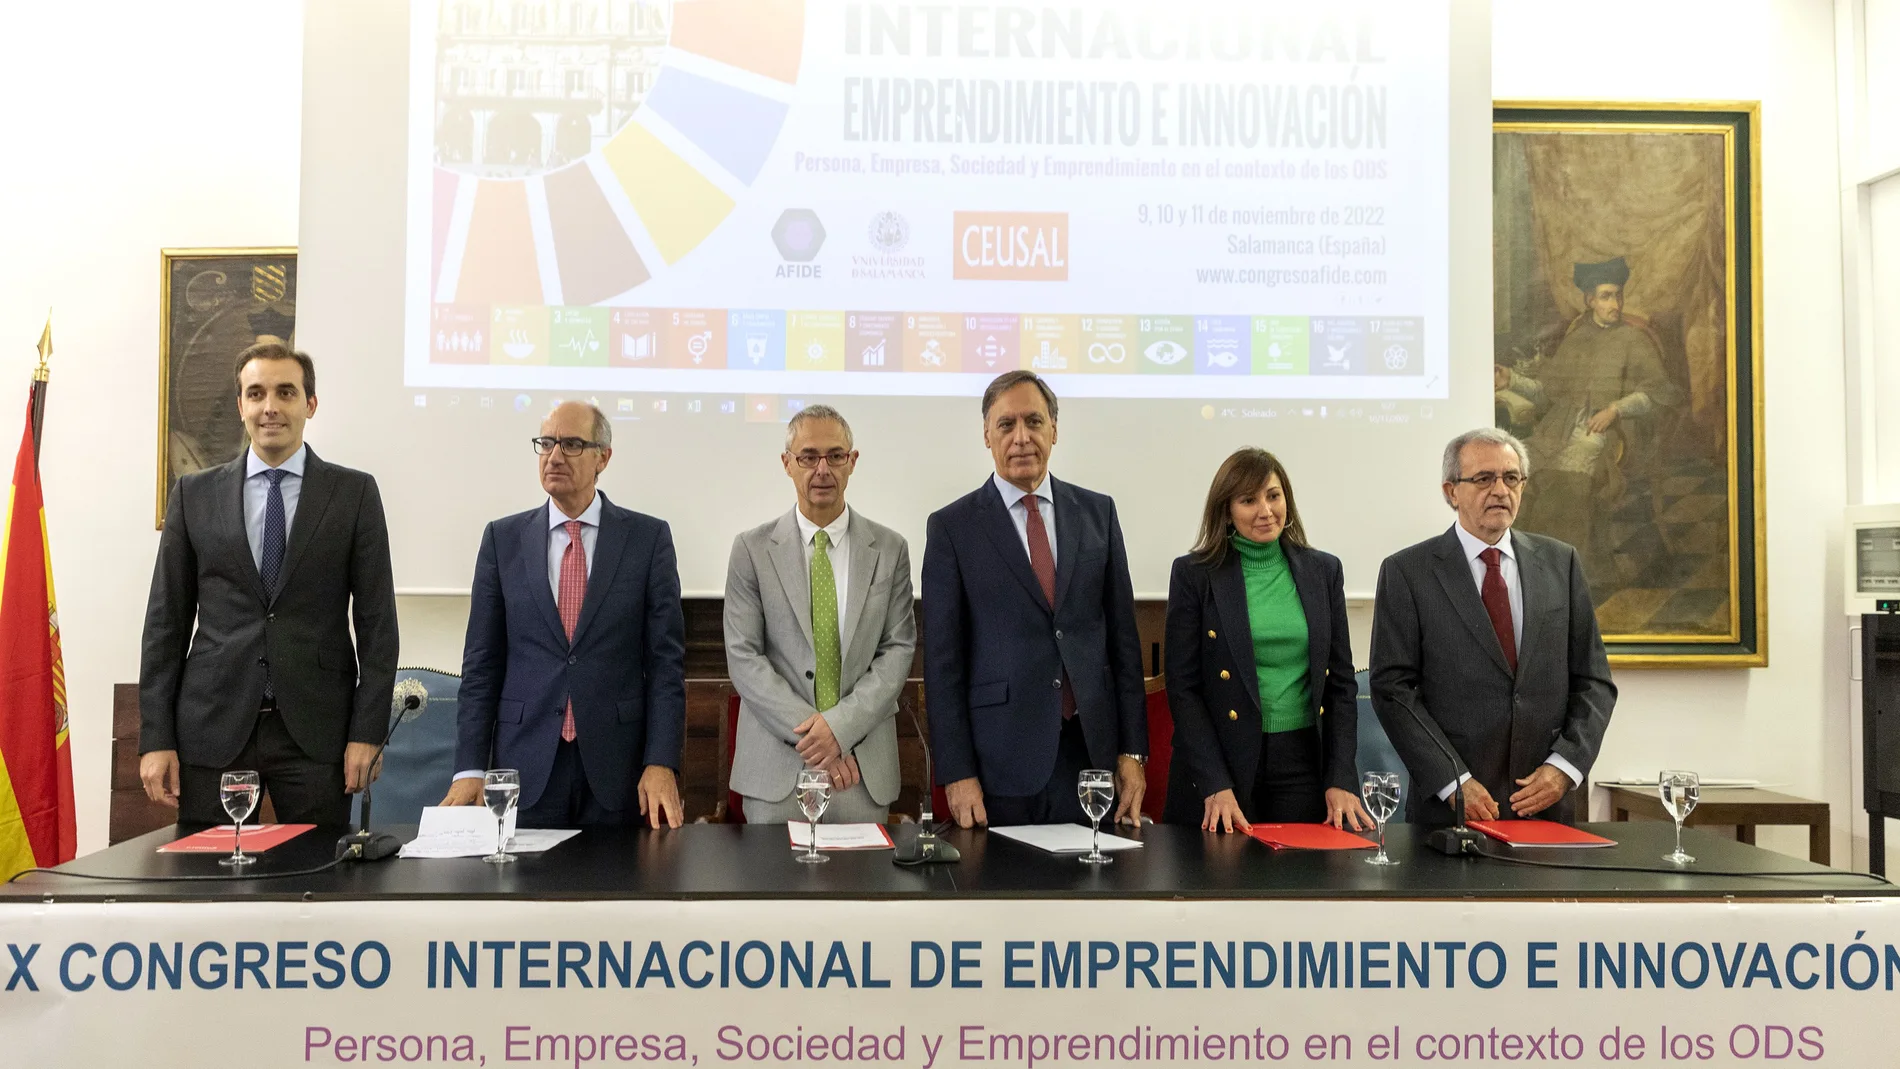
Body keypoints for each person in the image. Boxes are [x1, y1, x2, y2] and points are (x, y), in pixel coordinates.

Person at [139, 341, 398, 825]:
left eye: (286, 392)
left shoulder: (354, 493)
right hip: (213, 728)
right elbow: (165, 624)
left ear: (310, 404)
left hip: (318, 734)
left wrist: (368, 732)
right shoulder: (193, 494)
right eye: (255, 394)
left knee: (317, 886)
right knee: (209, 885)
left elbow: (378, 626)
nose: (270, 407)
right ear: (240, 406)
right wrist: (157, 739)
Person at [444, 401, 685, 828]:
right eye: (547, 443)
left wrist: (661, 761)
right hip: (525, 766)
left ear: (603, 458)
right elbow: (481, 664)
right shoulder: (503, 540)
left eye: (572, 444)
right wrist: (469, 768)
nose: (554, 456)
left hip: (618, 769)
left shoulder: (647, 539)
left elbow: (665, 665)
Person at [923, 370, 1148, 828]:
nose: (1021, 437)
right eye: (1006, 425)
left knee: (1093, 894)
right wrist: (957, 772)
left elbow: (1124, 642)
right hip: (999, 762)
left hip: (1090, 755)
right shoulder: (952, 527)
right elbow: (943, 664)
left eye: (1034, 421)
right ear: (987, 435)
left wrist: (1131, 752)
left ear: (1055, 430)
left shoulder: (1097, 513)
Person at [1370, 428, 1617, 825]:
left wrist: (1565, 767)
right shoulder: (1408, 572)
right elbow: (1392, 690)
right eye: (1484, 479)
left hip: (1545, 803)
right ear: (1451, 491)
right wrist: (1453, 781)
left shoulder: (1561, 563)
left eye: (1511, 478)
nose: (1500, 490)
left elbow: (1594, 681)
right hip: (1450, 810)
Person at [1162, 449, 1372, 833]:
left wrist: (1341, 776)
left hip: (1303, 762)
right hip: (1222, 763)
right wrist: (1214, 783)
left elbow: (1341, 684)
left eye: (1273, 495)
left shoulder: (1324, 570)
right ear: (1226, 510)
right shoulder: (1194, 574)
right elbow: (1183, 689)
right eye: (1248, 500)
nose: (1265, 510)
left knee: (1299, 884)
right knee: (1218, 884)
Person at [724, 405, 917, 823]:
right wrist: (819, 737)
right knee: (773, 886)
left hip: (859, 771)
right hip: (776, 771)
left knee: (862, 885)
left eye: (835, 456)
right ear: (787, 463)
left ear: (853, 462)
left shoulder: (890, 549)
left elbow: (898, 650)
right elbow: (744, 658)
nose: (822, 469)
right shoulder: (751, 550)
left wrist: (841, 730)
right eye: (808, 456)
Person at [1497, 256, 1680, 579]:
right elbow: (1548, 392)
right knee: (1524, 472)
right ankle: (1528, 569)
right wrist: (1511, 379)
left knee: (1570, 479)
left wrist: (1615, 409)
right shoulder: (1577, 338)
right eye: (1607, 296)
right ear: (1590, 300)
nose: (1615, 304)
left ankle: (1574, 572)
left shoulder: (1633, 340)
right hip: (1560, 428)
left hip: (1614, 432)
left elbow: (1659, 392)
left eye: (1618, 295)